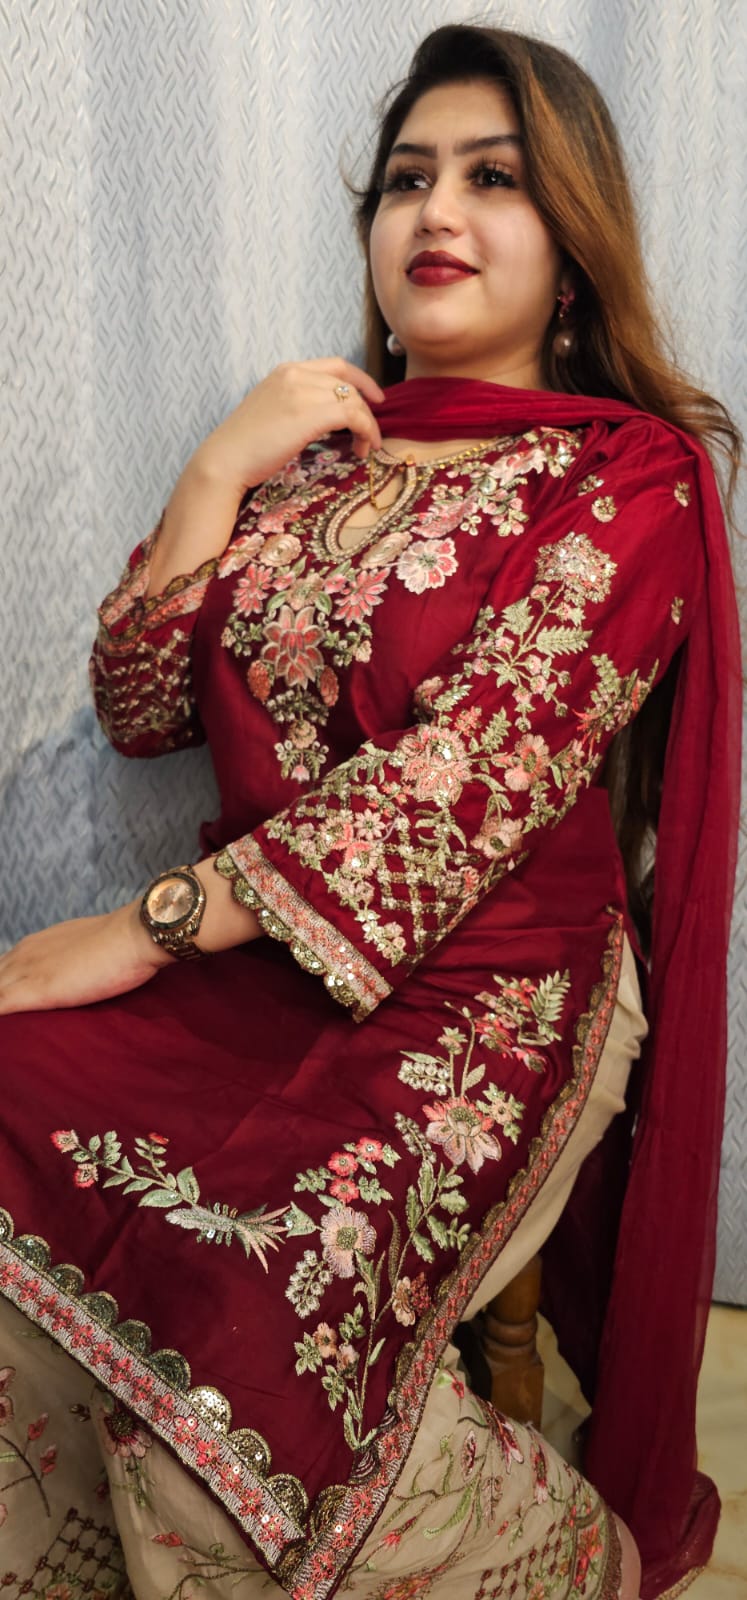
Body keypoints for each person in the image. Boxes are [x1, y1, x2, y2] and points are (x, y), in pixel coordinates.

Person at [0, 21, 740, 1600]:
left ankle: (563, 1560)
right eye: (407, 179)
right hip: (253, 967)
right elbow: (141, 709)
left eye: (495, 179)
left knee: (235, 1297)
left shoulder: (627, 479)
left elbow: (458, 785)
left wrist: (141, 929)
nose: (436, 211)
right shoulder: (307, 461)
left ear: (575, 247)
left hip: (490, 991)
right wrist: (217, 470)